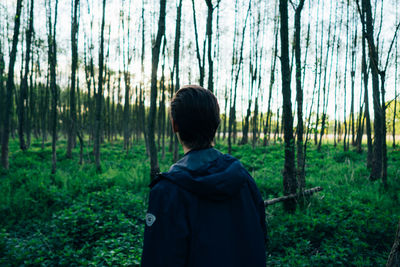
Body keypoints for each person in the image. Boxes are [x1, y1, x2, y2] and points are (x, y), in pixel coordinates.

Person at [141, 85, 267, 267]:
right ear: (216, 124)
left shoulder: (167, 192)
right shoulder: (243, 178)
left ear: (174, 125)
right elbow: (260, 239)